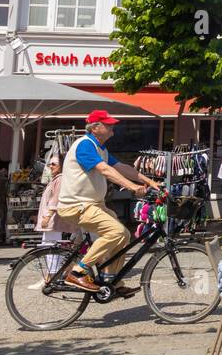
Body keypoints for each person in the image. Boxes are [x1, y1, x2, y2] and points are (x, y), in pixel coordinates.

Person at [56, 110, 162, 296]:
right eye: (108, 124)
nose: (113, 126)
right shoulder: (85, 145)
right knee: (116, 232)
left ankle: (111, 281)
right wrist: (132, 187)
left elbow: (122, 168)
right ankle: (77, 272)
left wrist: (151, 182)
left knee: (124, 237)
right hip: (77, 205)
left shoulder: (101, 148)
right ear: (95, 128)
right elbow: (105, 170)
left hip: (93, 205)